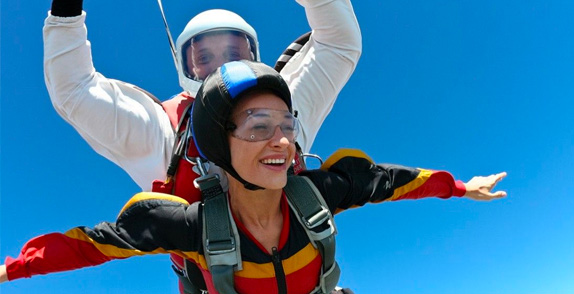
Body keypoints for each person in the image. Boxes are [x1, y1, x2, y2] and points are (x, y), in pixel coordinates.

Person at [1, 61, 507, 293]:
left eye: (287, 126)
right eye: (259, 127)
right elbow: (89, 246)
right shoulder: (186, 227)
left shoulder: (320, 191)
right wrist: (11, 270)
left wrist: (460, 187)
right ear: (220, 144)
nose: (282, 141)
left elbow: (394, 181)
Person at [44, 0, 362, 193]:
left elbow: (339, 42)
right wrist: (65, 13)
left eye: (234, 54)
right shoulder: (162, 133)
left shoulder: (286, 105)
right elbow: (74, 91)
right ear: (185, 69)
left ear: (254, 57)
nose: (221, 68)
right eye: (204, 59)